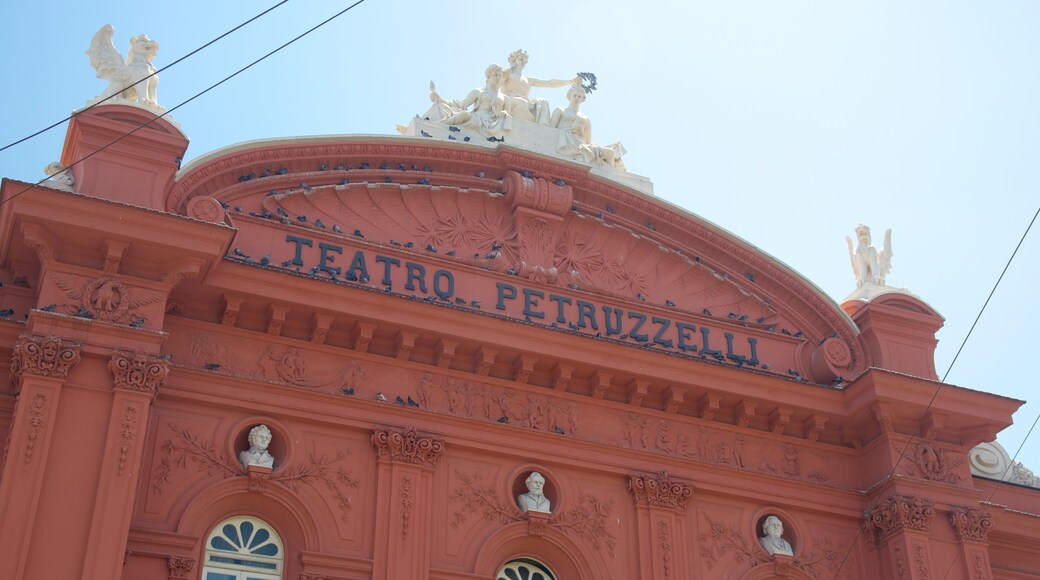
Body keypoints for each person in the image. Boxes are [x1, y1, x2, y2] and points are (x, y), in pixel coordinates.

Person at [550, 84, 626, 170]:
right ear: (569, 96)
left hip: (581, 147)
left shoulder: (586, 119)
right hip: (565, 144)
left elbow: (587, 142)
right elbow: (550, 131)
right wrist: (570, 129)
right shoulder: (560, 111)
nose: (577, 98)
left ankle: (608, 175)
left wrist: (580, 131)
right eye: (574, 95)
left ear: (582, 99)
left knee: (611, 153)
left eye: (579, 96)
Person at [428, 64, 512, 137]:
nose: (498, 77)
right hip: (477, 119)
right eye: (495, 75)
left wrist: (505, 113)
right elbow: (461, 105)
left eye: (500, 75)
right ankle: (439, 126)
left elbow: (509, 118)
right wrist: (440, 99)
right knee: (464, 114)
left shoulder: (505, 98)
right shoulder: (478, 92)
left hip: (495, 124)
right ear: (488, 76)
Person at [501, 49, 580, 125]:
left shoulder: (528, 80)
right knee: (522, 102)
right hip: (511, 101)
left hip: (526, 104)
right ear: (514, 60)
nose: (523, 62)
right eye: (521, 59)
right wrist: (509, 70)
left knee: (543, 102)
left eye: (525, 61)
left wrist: (571, 81)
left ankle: (543, 127)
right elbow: (496, 84)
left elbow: (548, 83)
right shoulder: (507, 74)